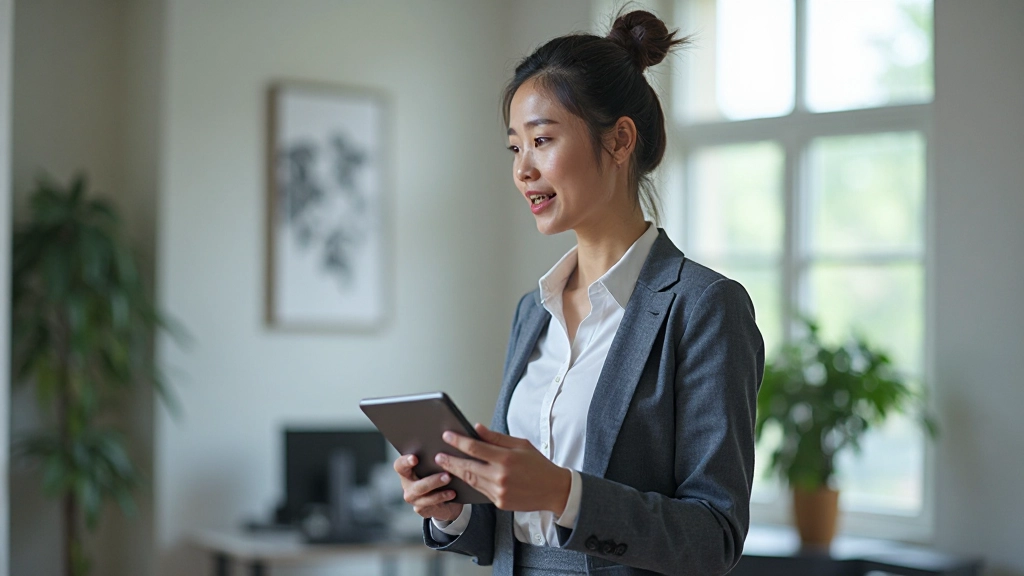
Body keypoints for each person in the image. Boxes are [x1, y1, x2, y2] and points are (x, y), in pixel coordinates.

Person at [392, 10, 764, 576]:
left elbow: (713, 537)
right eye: (515, 148)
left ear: (619, 140)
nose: (523, 170)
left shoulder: (705, 307)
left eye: (542, 140)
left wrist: (564, 492)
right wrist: (454, 511)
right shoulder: (531, 311)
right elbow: (511, 528)